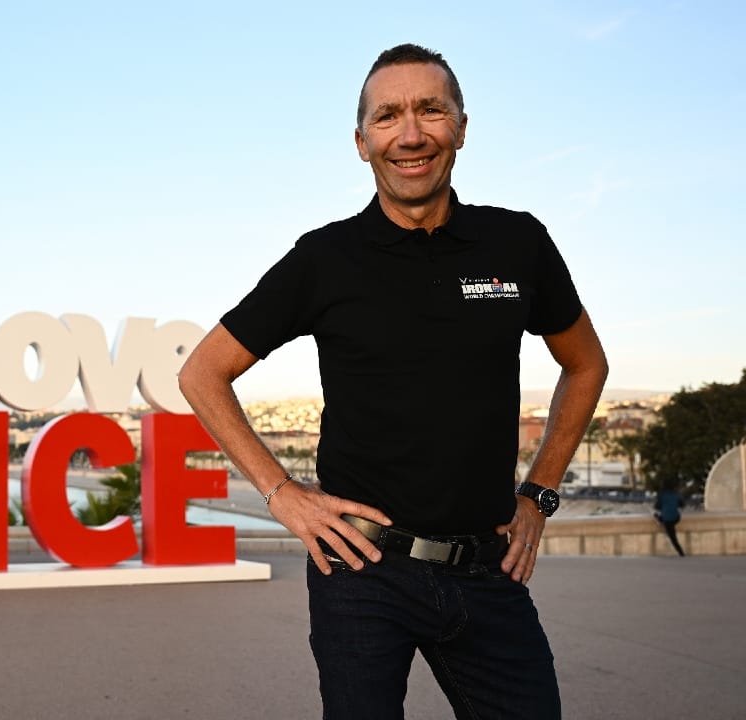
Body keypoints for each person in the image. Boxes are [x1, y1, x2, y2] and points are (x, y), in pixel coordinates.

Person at [178, 43, 608, 719]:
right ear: (361, 142)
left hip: (488, 570)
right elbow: (203, 372)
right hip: (361, 572)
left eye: (430, 110)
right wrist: (281, 493)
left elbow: (586, 363)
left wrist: (540, 493)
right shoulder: (324, 258)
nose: (410, 134)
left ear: (461, 127)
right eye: (388, 117)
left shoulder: (517, 244)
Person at [654, 483, 686, 556]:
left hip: (667, 519)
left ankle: (681, 552)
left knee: (673, 537)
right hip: (676, 518)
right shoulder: (676, 494)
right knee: (671, 528)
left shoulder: (662, 495)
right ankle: (661, 521)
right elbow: (682, 505)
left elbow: (657, 507)